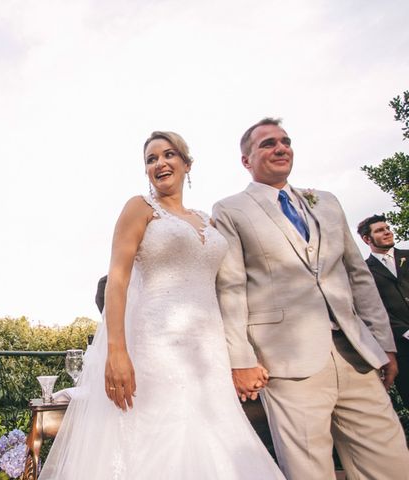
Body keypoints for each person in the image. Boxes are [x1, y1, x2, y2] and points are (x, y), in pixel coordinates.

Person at [40, 131, 284, 479]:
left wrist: (241, 355)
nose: (160, 163)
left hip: (208, 349)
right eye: (151, 160)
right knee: (161, 435)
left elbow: (229, 288)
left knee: (214, 433)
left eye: (168, 155)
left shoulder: (208, 220)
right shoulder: (139, 208)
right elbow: (118, 280)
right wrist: (116, 351)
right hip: (155, 344)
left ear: (187, 164)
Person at [213, 117, 409, 479]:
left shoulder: (327, 203)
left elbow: (359, 276)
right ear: (246, 160)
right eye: (268, 143)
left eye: (285, 141)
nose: (280, 148)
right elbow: (231, 287)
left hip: (357, 356)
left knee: (392, 464)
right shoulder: (230, 210)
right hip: (288, 364)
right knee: (309, 471)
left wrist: (384, 343)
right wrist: (240, 359)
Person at [358, 214, 409, 406]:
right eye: (380, 230)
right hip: (401, 349)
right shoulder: (363, 271)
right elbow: (370, 308)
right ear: (367, 239)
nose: (387, 232)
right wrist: (404, 331)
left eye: (387, 228)